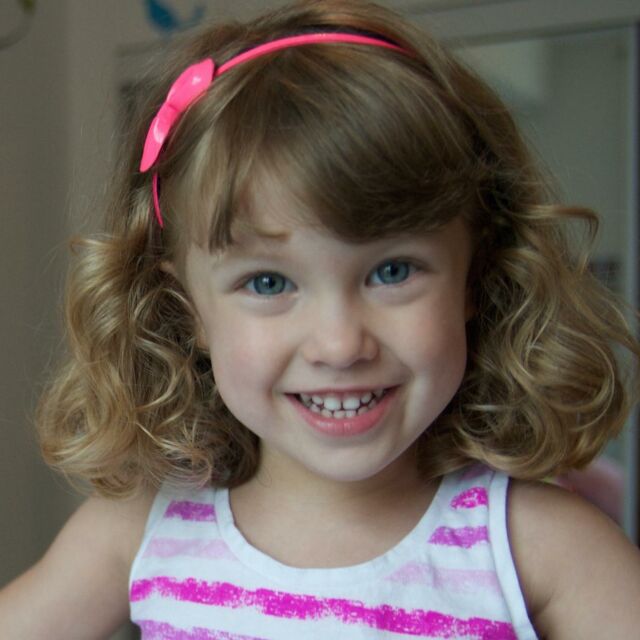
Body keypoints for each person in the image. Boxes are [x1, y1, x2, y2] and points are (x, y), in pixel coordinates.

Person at [2, 0, 640, 637]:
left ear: (476, 276)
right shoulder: (136, 533)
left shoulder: (543, 551)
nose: (339, 345)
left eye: (392, 271)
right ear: (187, 309)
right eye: (268, 282)